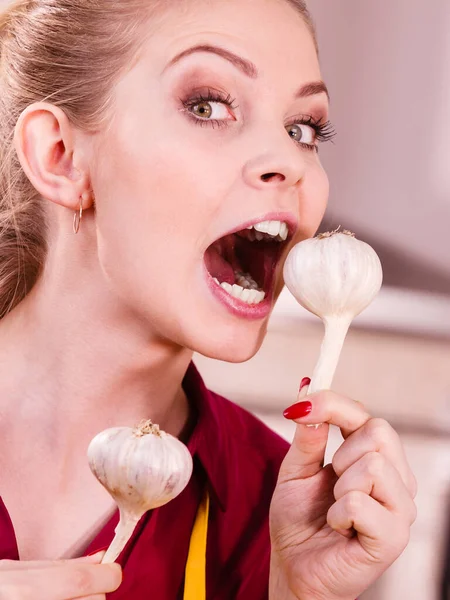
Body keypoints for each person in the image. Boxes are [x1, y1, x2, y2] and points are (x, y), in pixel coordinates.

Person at [0, 0, 417, 598]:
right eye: (208, 106)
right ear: (60, 156)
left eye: (303, 130)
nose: (289, 162)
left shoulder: (284, 506)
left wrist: (294, 594)